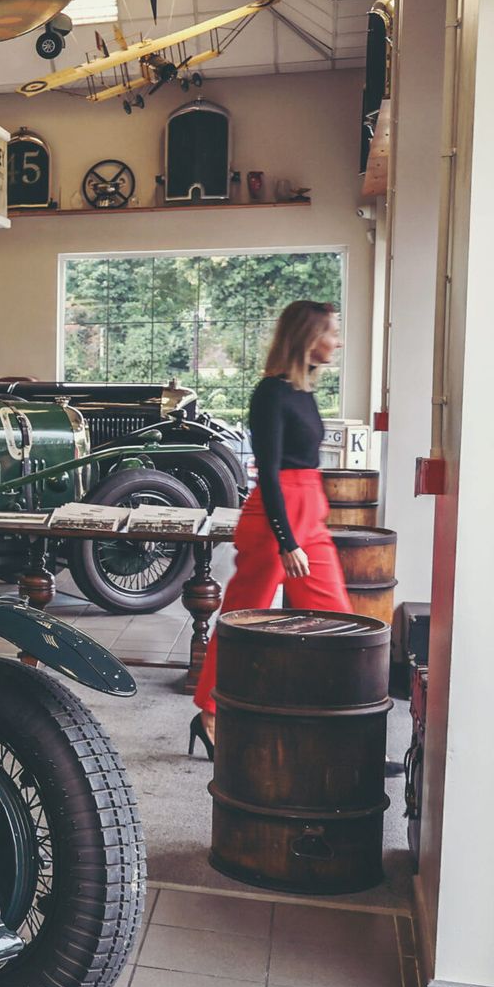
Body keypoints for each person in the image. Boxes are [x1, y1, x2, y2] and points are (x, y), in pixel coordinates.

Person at [190, 301, 350, 757]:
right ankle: (209, 713)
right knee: (245, 615)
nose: (337, 342)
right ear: (307, 337)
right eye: (331, 333)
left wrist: (303, 531)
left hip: (309, 515)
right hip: (274, 521)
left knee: (336, 618)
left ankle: (336, 719)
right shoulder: (270, 394)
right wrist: (286, 541)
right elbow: (272, 474)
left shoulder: (305, 392)